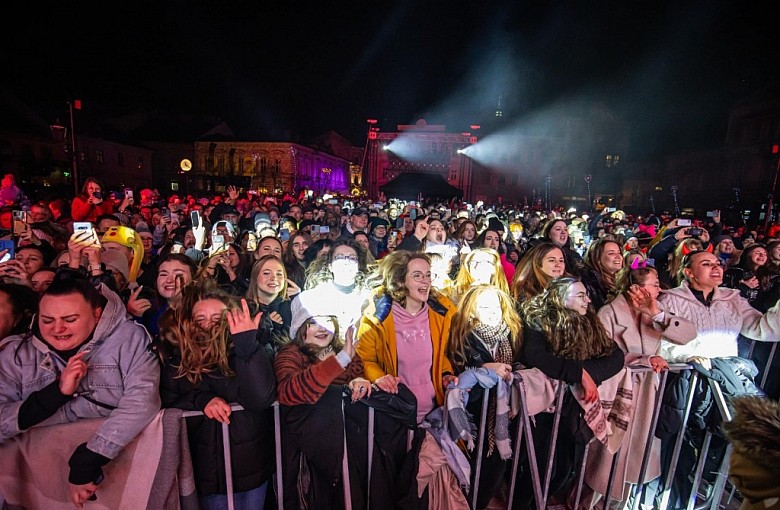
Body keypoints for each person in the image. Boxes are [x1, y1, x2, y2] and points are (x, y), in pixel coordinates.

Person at [0, 276, 160, 507]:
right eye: (47, 320)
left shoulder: (129, 337)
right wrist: (55, 394)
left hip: (119, 487)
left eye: (70, 319)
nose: (58, 329)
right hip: (33, 492)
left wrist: (89, 457)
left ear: (96, 315)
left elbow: (143, 401)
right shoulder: (15, 353)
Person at [658, 249, 780, 507]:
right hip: (684, 386)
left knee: (717, 445)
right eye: (706, 263)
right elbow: (664, 344)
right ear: (688, 272)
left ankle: (707, 497)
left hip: (721, 388)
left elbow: (760, 328)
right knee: (678, 447)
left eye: (717, 263)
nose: (716, 268)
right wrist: (695, 358)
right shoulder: (670, 300)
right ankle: (673, 499)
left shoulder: (732, 299)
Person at [581, 261, 697, 507]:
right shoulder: (609, 313)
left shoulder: (657, 311)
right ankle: (588, 503)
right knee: (608, 456)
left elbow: (687, 335)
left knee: (635, 458)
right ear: (637, 289)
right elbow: (601, 354)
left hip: (646, 394)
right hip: (616, 392)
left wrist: (656, 313)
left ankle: (620, 503)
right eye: (654, 285)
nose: (659, 289)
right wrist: (643, 360)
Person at [157, 280, 276, 509]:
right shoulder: (177, 356)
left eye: (217, 318)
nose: (208, 326)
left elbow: (260, 398)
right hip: (204, 471)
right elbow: (167, 395)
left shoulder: (248, 346)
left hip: (250, 467)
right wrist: (201, 401)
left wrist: (247, 346)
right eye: (200, 319)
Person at [516, 276, 624, 508]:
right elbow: (537, 356)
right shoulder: (539, 322)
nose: (587, 300)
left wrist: (588, 374)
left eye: (586, 294)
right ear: (560, 298)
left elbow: (616, 357)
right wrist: (579, 374)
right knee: (541, 468)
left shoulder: (591, 324)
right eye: (580, 295)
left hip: (576, 408)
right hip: (546, 410)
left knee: (564, 469)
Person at [274, 308, 368, 509]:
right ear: (301, 326)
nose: (322, 327)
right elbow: (288, 390)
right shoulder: (291, 354)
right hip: (305, 454)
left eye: (328, 320)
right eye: (314, 321)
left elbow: (356, 379)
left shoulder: (349, 351)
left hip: (347, 450)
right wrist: (339, 361)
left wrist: (361, 382)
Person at [356, 250, 458, 424]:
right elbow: (365, 359)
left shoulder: (441, 314)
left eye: (428, 275)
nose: (425, 281)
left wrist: (445, 374)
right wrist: (379, 377)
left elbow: (440, 357)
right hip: (394, 413)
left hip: (433, 414)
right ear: (400, 280)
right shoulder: (377, 316)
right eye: (417, 276)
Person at [447, 284, 523, 509]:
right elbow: (461, 365)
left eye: (496, 306)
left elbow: (518, 364)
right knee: (471, 471)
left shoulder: (512, 335)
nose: (492, 311)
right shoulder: (464, 337)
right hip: (475, 417)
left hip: (503, 414)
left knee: (494, 471)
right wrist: (484, 368)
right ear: (472, 310)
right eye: (484, 306)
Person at [293, 239, 373, 334]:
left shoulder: (370, 298)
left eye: (352, 258)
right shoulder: (308, 299)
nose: (346, 262)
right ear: (330, 265)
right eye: (339, 257)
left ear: (358, 266)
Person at [247, 254, 293, 353]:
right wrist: (266, 328)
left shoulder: (293, 307)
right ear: (255, 277)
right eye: (266, 273)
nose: (273, 278)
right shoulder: (244, 309)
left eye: (279, 274)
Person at [446, 247, 510, 305]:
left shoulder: (501, 297)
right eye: (473, 262)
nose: (476, 266)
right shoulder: (457, 293)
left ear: (494, 268)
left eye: (483, 262)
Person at [580, 238, 624, 310]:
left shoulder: (624, 281)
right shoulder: (588, 283)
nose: (618, 257)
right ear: (597, 258)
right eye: (611, 253)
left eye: (619, 253)